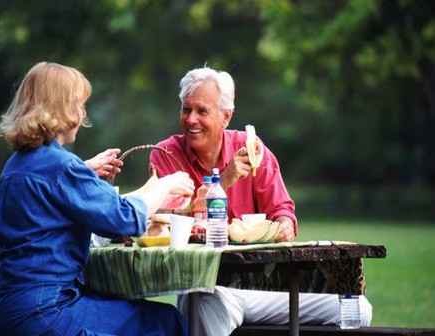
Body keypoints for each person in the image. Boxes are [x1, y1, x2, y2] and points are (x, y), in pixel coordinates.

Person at [149, 65, 373, 335]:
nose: (191, 119)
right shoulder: (166, 155)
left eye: (202, 111)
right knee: (202, 307)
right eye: (187, 110)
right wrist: (225, 180)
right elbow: (166, 221)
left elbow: (283, 214)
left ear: (226, 117)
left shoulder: (254, 152)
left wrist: (283, 226)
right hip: (208, 287)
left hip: (262, 290)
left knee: (359, 308)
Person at [0, 61, 194, 336]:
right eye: (79, 104)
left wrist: (82, 172)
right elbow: (124, 219)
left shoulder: (14, 166)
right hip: (47, 313)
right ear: (62, 109)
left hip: (6, 313)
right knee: (165, 321)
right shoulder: (62, 167)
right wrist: (166, 184)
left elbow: (46, 199)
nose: (83, 113)